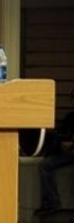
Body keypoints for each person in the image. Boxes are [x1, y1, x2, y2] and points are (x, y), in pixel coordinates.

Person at [35, 88, 74, 216]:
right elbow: (62, 135)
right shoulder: (70, 118)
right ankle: (52, 202)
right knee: (45, 164)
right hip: (67, 152)